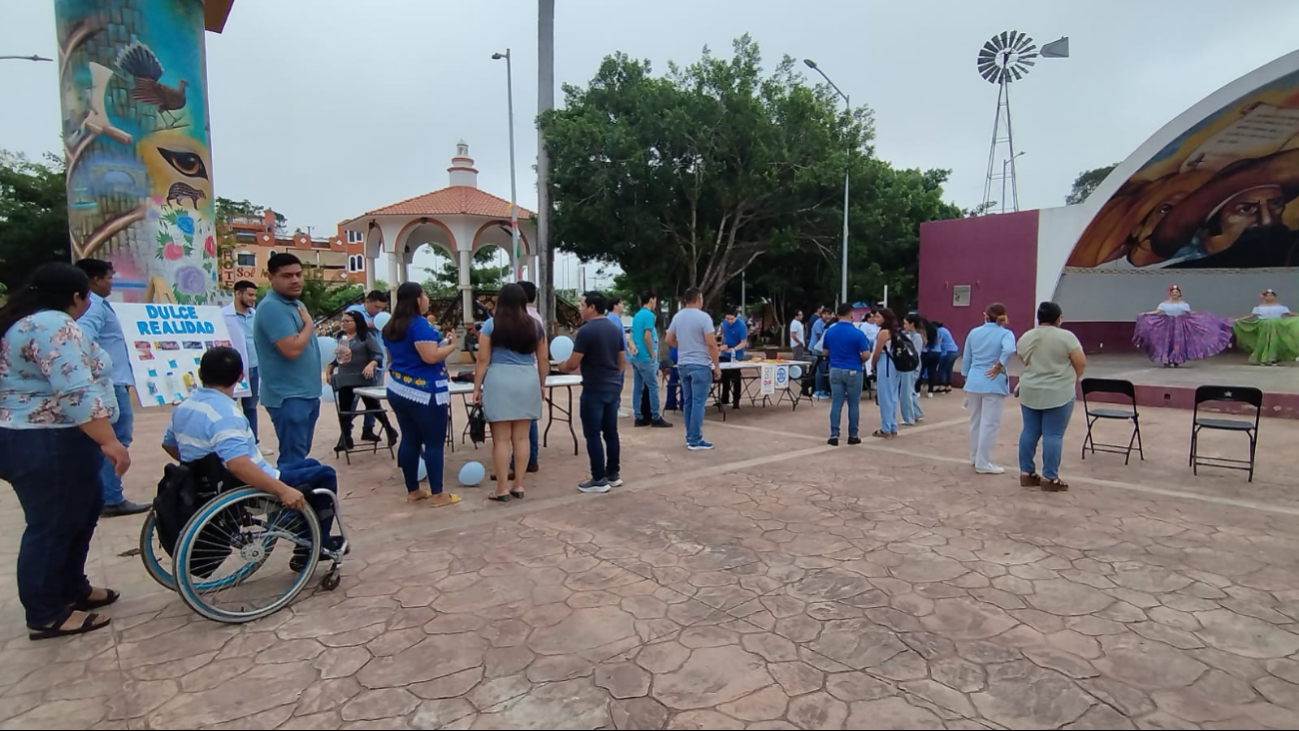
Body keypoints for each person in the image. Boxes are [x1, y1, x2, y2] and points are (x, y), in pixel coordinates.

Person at [0, 263, 129, 640]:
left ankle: (72, 586)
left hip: (45, 437)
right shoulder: (54, 326)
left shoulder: (22, 321)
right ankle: (45, 612)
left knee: (82, 510)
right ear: (77, 297)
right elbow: (73, 391)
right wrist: (109, 440)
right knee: (52, 524)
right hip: (45, 439)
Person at [162, 347, 343, 569]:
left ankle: (305, 532)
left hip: (207, 483)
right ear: (240, 376)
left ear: (201, 374)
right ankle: (315, 545)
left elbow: (169, 443)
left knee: (310, 465)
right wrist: (281, 490)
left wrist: (198, 466)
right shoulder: (226, 415)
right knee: (325, 475)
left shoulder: (185, 406)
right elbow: (238, 465)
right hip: (241, 486)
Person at [72, 258, 148, 517]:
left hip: (113, 381)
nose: (111, 282)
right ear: (94, 280)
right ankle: (112, 498)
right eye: (109, 277)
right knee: (116, 439)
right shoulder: (93, 305)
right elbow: (83, 340)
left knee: (109, 439)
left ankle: (104, 494)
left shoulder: (98, 305)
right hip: (110, 383)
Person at [382, 283, 460, 507]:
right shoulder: (419, 325)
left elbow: (394, 357)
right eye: (424, 295)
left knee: (410, 439)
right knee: (434, 442)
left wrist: (440, 344)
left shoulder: (391, 326)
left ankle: (413, 490)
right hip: (425, 392)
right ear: (417, 299)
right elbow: (430, 357)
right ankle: (438, 494)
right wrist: (452, 346)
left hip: (399, 388)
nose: (427, 299)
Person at [474, 283, 548, 503]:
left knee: (501, 440)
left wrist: (477, 386)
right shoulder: (535, 326)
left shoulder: (490, 325)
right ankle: (519, 485)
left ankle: (502, 489)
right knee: (522, 438)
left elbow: (483, 359)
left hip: (499, 379)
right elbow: (543, 358)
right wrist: (541, 383)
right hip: (527, 378)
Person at [253, 253, 323, 465]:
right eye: (287, 276)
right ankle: (285, 497)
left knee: (299, 455)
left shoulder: (295, 304)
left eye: (299, 274)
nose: (295, 280)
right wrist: (309, 326)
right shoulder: (272, 307)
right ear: (270, 277)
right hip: (289, 397)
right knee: (292, 460)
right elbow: (291, 349)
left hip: (305, 394)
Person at [559, 292, 626, 493]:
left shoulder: (586, 332)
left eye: (581, 305)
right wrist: (614, 376)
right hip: (612, 386)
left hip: (594, 387)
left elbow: (572, 363)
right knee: (611, 432)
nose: (579, 308)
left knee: (592, 433)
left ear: (592, 307)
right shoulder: (615, 329)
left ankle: (599, 478)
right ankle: (613, 474)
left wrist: (561, 366)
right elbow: (621, 360)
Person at [1017, 302, 1086, 492]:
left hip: (1030, 389)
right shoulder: (1066, 337)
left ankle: (1026, 473)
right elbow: (1080, 362)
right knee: (1053, 434)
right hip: (1059, 391)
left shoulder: (1026, 336)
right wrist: (1072, 379)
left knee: (1029, 431)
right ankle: (1050, 477)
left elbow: (1023, 358)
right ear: (1059, 318)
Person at [328, 311, 397, 453]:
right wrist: (331, 368)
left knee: (373, 407)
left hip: (363, 377)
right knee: (345, 410)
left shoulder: (366, 337)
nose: (344, 324)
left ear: (356, 323)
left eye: (348, 321)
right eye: (343, 321)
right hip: (345, 378)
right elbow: (337, 357)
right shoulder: (341, 337)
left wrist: (371, 364)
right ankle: (346, 438)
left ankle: (390, 430)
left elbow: (377, 355)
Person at [962, 303, 1017, 474]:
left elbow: (966, 358)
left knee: (975, 421)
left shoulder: (974, 332)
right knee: (990, 423)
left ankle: (975, 456)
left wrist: (967, 377)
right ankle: (983, 462)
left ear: (985, 315)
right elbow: (1009, 349)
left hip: (974, 381)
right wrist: (999, 364)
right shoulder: (1006, 334)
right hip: (993, 382)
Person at [666, 287, 721, 450]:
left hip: (683, 364)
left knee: (688, 401)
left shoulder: (678, 317)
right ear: (698, 299)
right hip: (700, 364)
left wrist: (682, 346)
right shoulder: (704, 318)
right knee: (698, 402)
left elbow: (669, 339)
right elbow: (711, 343)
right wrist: (716, 365)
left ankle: (690, 437)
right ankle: (695, 438)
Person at [1133, 285, 1232, 368]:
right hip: (1167, 325)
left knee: (1178, 342)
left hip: (1180, 325)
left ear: (1179, 293)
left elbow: (1190, 313)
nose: (1175, 294)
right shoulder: (1164, 304)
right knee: (1167, 342)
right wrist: (1145, 314)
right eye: (1173, 292)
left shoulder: (1184, 304)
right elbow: (1157, 312)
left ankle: (1176, 359)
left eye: (1177, 292)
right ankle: (1166, 360)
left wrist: (1202, 316)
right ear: (1170, 293)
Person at [821, 303, 870, 445]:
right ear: (851, 314)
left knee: (836, 403)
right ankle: (853, 435)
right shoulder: (858, 333)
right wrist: (859, 360)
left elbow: (824, 352)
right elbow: (866, 354)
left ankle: (834, 435)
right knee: (853, 404)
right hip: (854, 369)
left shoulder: (830, 332)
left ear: (837, 315)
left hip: (835, 369)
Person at [222, 279, 263, 444]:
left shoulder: (256, 316)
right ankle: (228, 440)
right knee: (227, 406)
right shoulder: (223, 315)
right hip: (232, 369)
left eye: (255, 295)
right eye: (250, 294)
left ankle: (252, 441)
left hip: (254, 367)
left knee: (251, 407)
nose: (253, 299)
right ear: (238, 294)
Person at [344, 290, 389, 441]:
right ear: (367, 302)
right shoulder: (354, 312)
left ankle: (369, 429)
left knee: (374, 400)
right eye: (376, 307)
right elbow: (349, 332)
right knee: (352, 400)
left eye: (382, 308)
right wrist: (371, 324)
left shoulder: (380, 317)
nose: (379, 311)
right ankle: (346, 433)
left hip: (377, 361)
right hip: (359, 365)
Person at [632, 290, 672, 428]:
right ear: (651, 300)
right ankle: (655, 416)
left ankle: (638, 416)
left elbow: (633, 335)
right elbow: (647, 336)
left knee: (638, 387)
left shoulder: (637, 315)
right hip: (646, 357)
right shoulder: (649, 315)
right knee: (653, 387)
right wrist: (652, 353)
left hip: (636, 357)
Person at [1232, 288, 1299, 365]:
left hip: (1276, 327)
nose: (1269, 297)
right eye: (1268, 296)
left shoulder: (1281, 307)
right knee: (1263, 342)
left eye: (1271, 296)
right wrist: (1238, 319)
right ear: (1264, 297)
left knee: (1274, 342)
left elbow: (1289, 314)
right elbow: (1251, 316)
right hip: (1263, 326)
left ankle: (1272, 359)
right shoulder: (1259, 307)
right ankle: (1262, 359)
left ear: (1274, 297)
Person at [868, 308, 903, 439]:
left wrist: (872, 364)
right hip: (895, 364)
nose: (875, 319)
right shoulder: (896, 331)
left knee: (885, 396)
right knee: (893, 396)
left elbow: (877, 352)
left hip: (886, 363)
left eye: (877, 317)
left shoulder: (883, 332)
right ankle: (892, 425)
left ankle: (886, 427)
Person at [606, 297, 632, 418]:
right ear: (615, 305)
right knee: (616, 383)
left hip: (614, 358)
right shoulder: (613, 320)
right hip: (616, 359)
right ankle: (614, 407)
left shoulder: (614, 319)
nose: (622, 305)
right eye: (620, 303)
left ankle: (616, 406)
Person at [719, 308, 749, 409]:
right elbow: (723, 335)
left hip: (736, 355)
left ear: (736, 317)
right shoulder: (724, 324)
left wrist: (733, 349)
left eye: (731, 319)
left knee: (736, 378)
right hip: (724, 354)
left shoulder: (741, 326)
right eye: (727, 319)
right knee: (724, 376)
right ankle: (724, 398)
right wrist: (722, 345)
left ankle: (736, 400)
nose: (729, 321)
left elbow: (743, 342)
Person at [900, 314, 927, 426]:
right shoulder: (907, 335)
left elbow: (913, 353)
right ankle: (916, 413)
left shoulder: (917, 337)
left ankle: (908, 418)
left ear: (912, 324)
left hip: (911, 366)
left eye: (906, 323)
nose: (904, 326)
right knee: (910, 390)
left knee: (906, 392)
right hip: (908, 366)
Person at [809, 307, 832, 399]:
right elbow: (820, 336)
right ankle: (819, 391)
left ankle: (821, 389)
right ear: (821, 314)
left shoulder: (828, 325)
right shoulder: (819, 323)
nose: (827, 316)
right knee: (820, 370)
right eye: (825, 314)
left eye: (828, 314)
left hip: (822, 349)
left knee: (822, 370)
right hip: (817, 350)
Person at [933, 321, 959, 393]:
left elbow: (939, 342)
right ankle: (949, 386)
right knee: (949, 369)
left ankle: (942, 386)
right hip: (954, 351)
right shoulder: (945, 329)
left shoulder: (939, 331)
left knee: (942, 369)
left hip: (947, 352)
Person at [920, 319, 942, 398]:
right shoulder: (937, 331)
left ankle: (917, 391)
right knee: (932, 372)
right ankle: (930, 391)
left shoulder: (923, 331)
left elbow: (923, 342)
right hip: (936, 352)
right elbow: (939, 341)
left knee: (921, 371)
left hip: (925, 352)